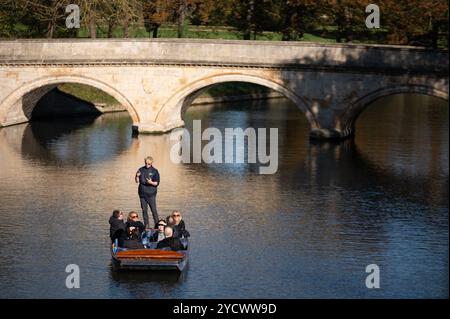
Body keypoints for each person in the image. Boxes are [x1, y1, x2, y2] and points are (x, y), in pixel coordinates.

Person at [135, 156, 160, 228]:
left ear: (151, 163)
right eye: (146, 163)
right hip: (142, 194)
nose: (147, 165)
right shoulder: (140, 170)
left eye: (148, 164)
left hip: (151, 194)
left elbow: (157, 183)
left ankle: (157, 225)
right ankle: (146, 226)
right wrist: (137, 176)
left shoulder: (155, 171)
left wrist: (151, 182)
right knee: (144, 210)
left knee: (154, 210)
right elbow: (137, 181)